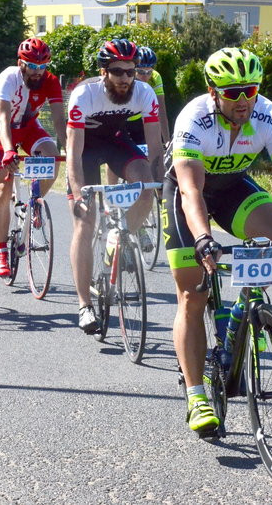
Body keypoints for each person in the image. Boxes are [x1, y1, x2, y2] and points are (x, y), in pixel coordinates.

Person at [163, 48, 272, 436]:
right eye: (233, 92)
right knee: (192, 294)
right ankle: (196, 396)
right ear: (213, 91)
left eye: (250, 90)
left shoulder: (269, 116)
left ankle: (241, 312)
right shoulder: (194, 118)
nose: (243, 100)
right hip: (187, 193)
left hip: (232, 187)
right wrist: (204, 238)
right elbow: (191, 190)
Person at [66, 39, 163, 333]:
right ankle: (84, 305)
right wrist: (77, 190)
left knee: (146, 190)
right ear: (104, 71)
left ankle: (118, 241)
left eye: (131, 72)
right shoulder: (84, 94)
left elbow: (155, 147)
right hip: (85, 149)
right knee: (86, 221)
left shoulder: (143, 92)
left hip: (116, 143)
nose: (125, 78)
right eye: (118, 71)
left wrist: (160, 184)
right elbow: (72, 150)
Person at [0, 38, 66, 278]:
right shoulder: (8, 78)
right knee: (3, 185)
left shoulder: (50, 81)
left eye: (43, 66)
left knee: (52, 157)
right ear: (20, 63)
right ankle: (1, 250)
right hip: (4, 129)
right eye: (32, 66)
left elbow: (58, 122)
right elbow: (2, 117)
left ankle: (34, 203)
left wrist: (70, 147)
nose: (38, 72)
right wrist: (9, 150)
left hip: (29, 127)